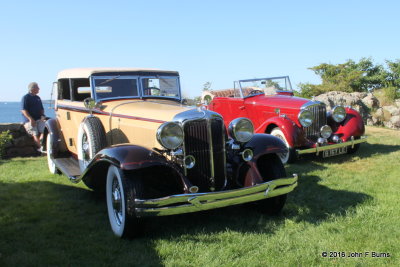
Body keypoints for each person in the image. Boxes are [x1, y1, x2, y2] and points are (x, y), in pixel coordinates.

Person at [21, 82, 46, 150]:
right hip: (29, 120)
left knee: (45, 130)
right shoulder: (26, 97)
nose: (39, 89)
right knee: (35, 134)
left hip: (39, 118)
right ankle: (41, 148)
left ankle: (42, 145)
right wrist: (31, 119)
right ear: (33, 89)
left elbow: (41, 109)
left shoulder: (37, 97)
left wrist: (42, 115)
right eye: (37, 87)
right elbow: (24, 110)